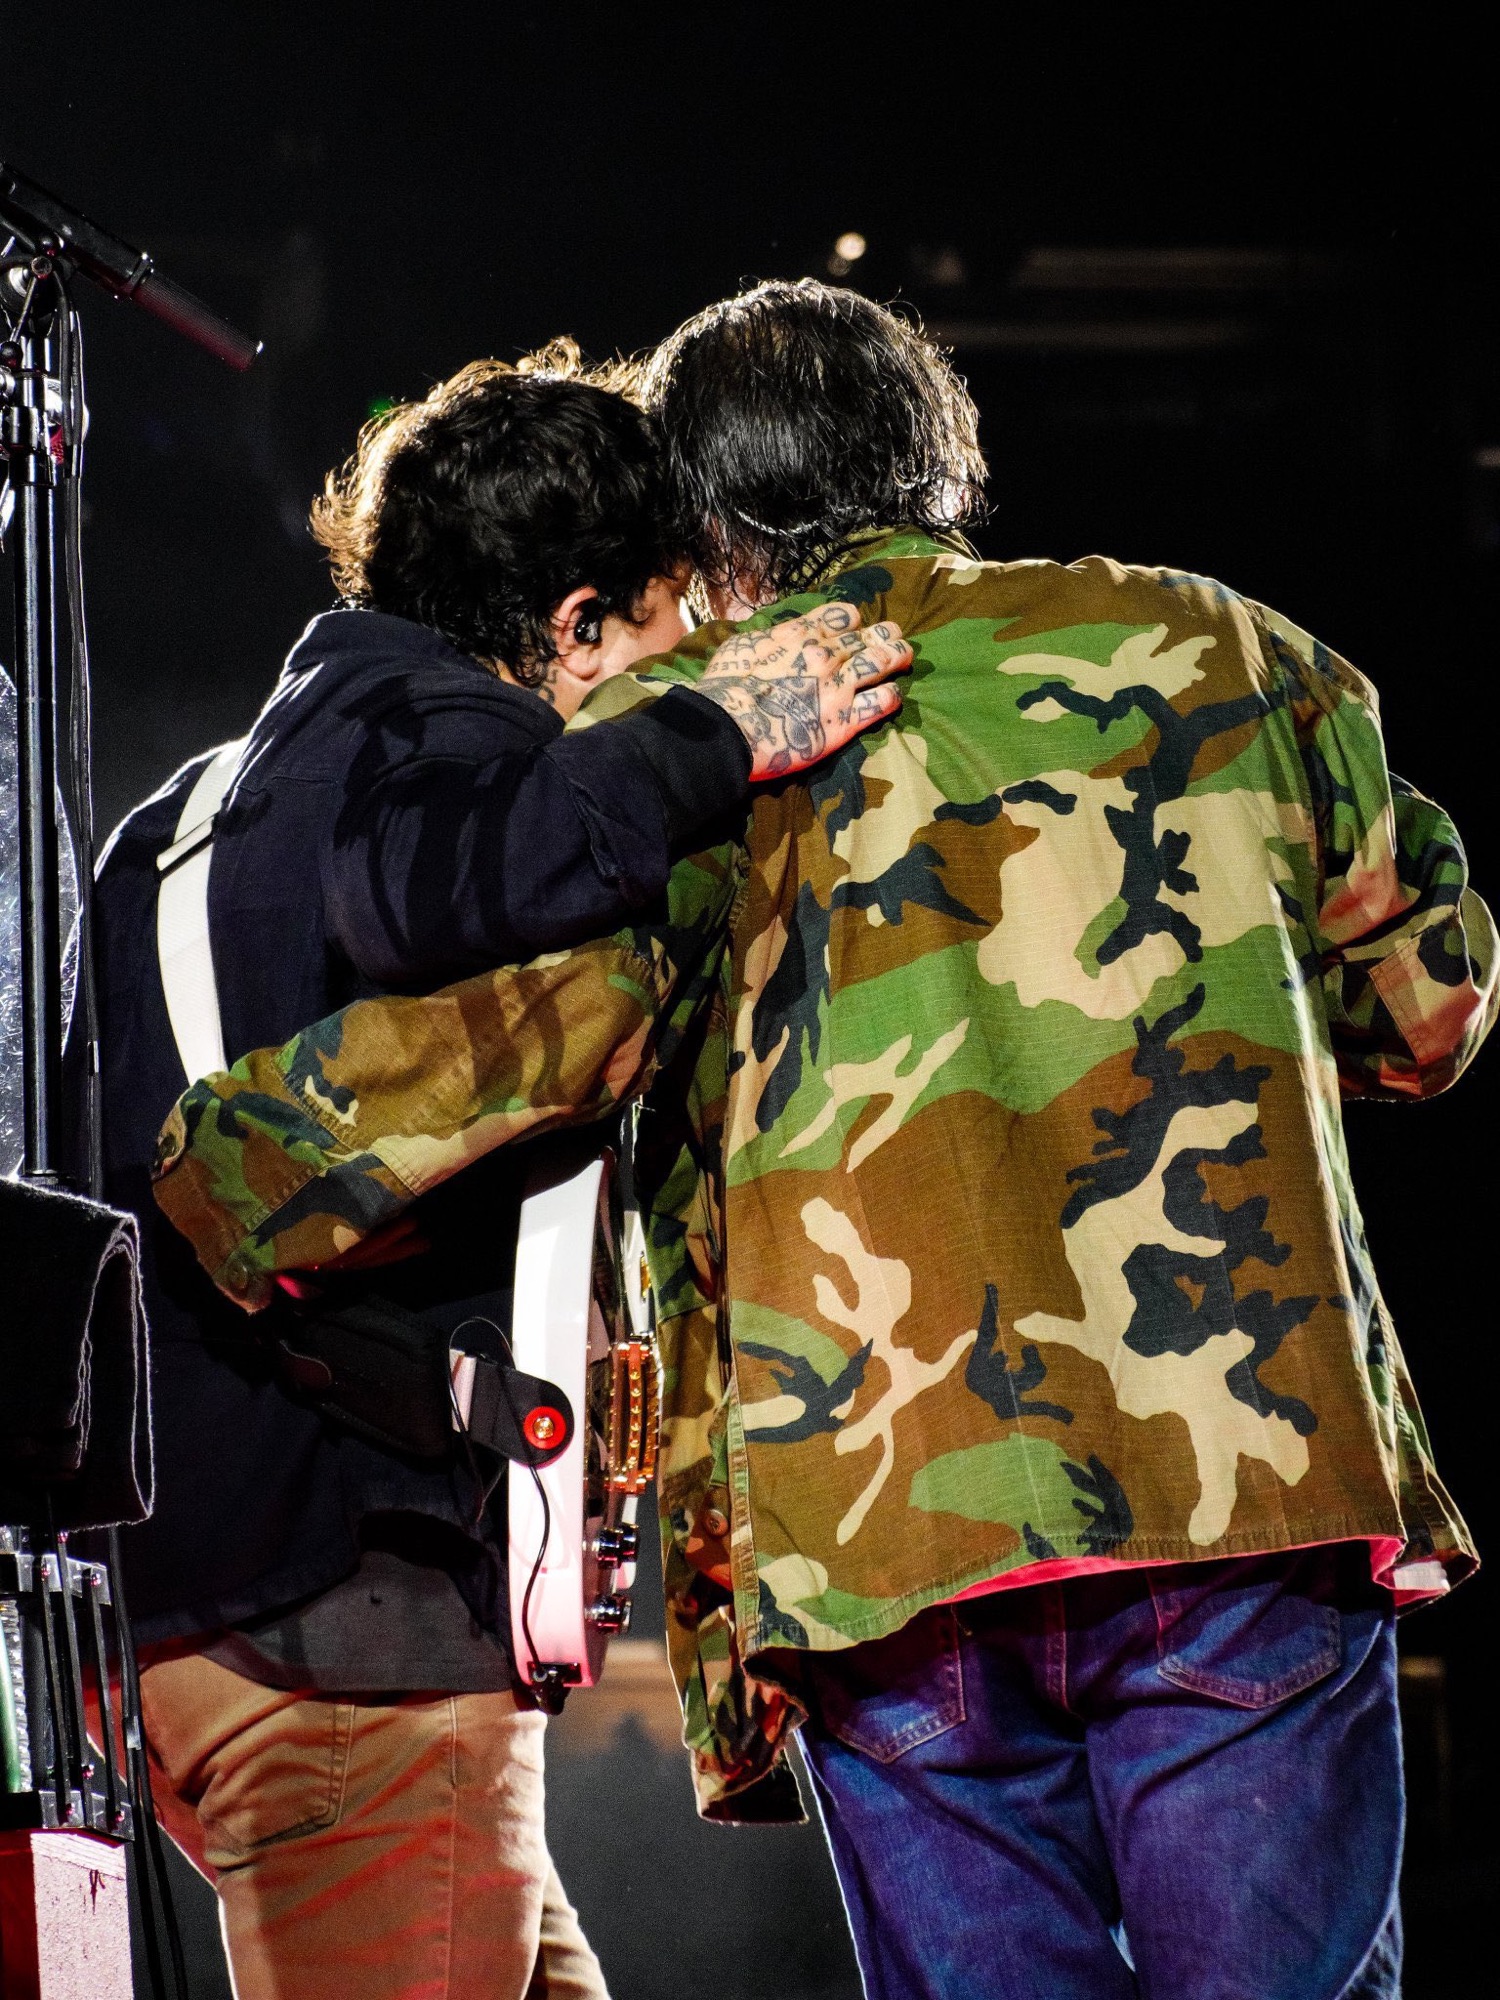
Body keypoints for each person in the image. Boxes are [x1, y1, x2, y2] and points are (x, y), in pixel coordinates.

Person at [154, 284, 1496, 2000]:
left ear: (704, 532)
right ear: (944, 467)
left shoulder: (703, 733)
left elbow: (517, 1048)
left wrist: (220, 1171)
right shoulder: (1228, 649)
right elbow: (1429, 1007)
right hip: (1245, 1485)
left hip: (885, 1532)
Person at [85, 337, 908, 2000]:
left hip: (182, 1630)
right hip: (350, 1648)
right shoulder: (435, 760)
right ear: (577, 625)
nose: (696, 665)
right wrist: (712, 739)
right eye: (670, 634)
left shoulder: (177, 823)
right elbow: (460, 870)